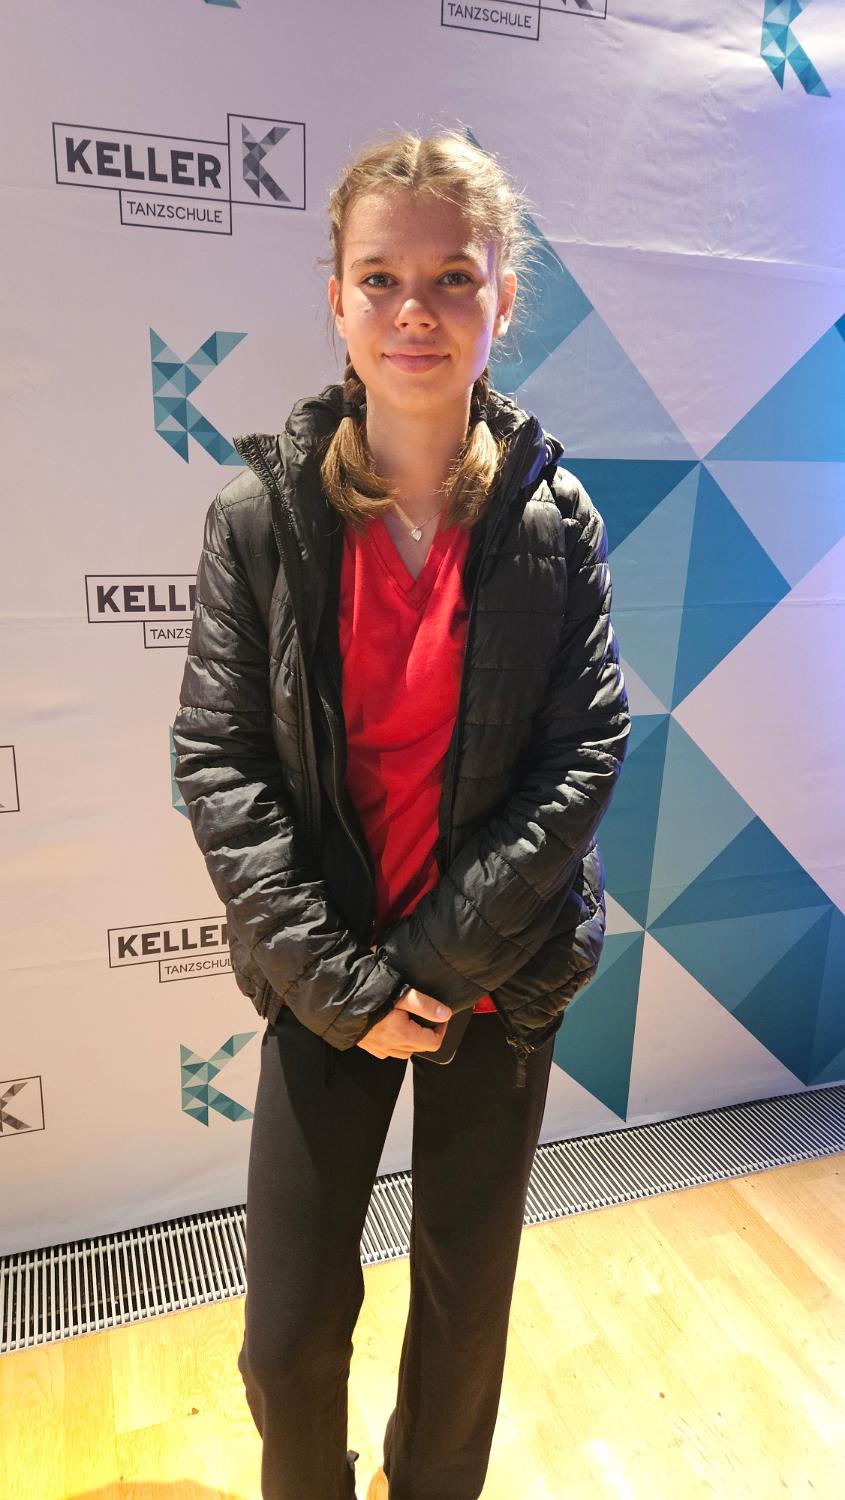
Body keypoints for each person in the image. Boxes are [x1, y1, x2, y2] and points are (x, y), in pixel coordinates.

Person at [173, 127, 630, 1500]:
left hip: (496, 977)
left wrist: (426, 971)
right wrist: (353, 987)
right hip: (325, 980)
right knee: (287, 1337)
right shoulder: (258, 519)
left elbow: (582, 751)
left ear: (503, 300)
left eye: (452, 277)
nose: (414, 309)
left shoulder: (556, 520)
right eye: (380, 278)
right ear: (336, 299)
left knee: (462, 1311)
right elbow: (220, 761)